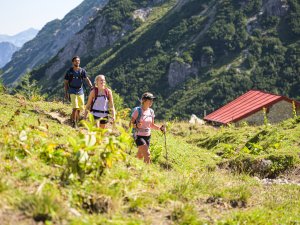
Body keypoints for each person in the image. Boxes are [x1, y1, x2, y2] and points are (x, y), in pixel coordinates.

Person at [129, 92, 166, 163]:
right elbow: (130, 124)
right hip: (138, 135)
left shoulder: (151, 112)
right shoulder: (138, 111)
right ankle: (147, 172)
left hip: (147, 136)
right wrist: (136, 125)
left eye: (152, 100)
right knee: (147, 154)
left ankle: (132, 166)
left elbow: (152, 125)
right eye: (150, 100)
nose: (151, 102)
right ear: (144, 100)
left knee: (140, 155)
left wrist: (160, 128)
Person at [64, 56, 93, 128]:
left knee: (80, 108)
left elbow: (87, 80)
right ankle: (74, 123)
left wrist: (92, 87)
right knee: (75, 107)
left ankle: (75, 120)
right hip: (72, 90)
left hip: (80, 90)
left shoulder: (82, 71)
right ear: (73, 62)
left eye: (78, 61)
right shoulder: (69, 72)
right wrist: (66, 93)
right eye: (76, 61)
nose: (77, 62)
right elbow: (66, 83)